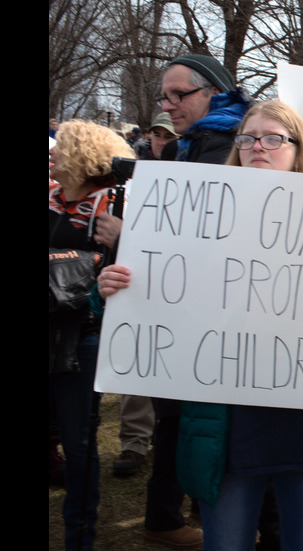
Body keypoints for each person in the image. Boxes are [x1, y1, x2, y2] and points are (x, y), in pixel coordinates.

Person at [98, 100, 303, 550]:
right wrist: (116, 291)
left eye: (274, 139)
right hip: (227, 430)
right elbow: (154, 301)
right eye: (248, 139)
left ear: (299, 148)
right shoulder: (196, 218)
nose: (258, 148)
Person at [124, 52, 251, 549]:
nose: (168, 105)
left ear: (212, 93)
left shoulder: (222, 145)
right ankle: (175, 515)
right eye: (164, 95)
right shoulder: (193, 145)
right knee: (180, 416)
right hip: (188, 309)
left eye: (179, 94)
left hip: (214, 312)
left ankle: (181, 513)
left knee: (188, 417)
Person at [49, 119, 135, 550]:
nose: (52, 156)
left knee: (79, 441)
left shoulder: (117, 202)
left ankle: (78, 534)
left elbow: (145, 265)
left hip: (84, 334)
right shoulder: (50, 195)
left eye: (61, 150)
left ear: (82, 157)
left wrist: (125, 240)